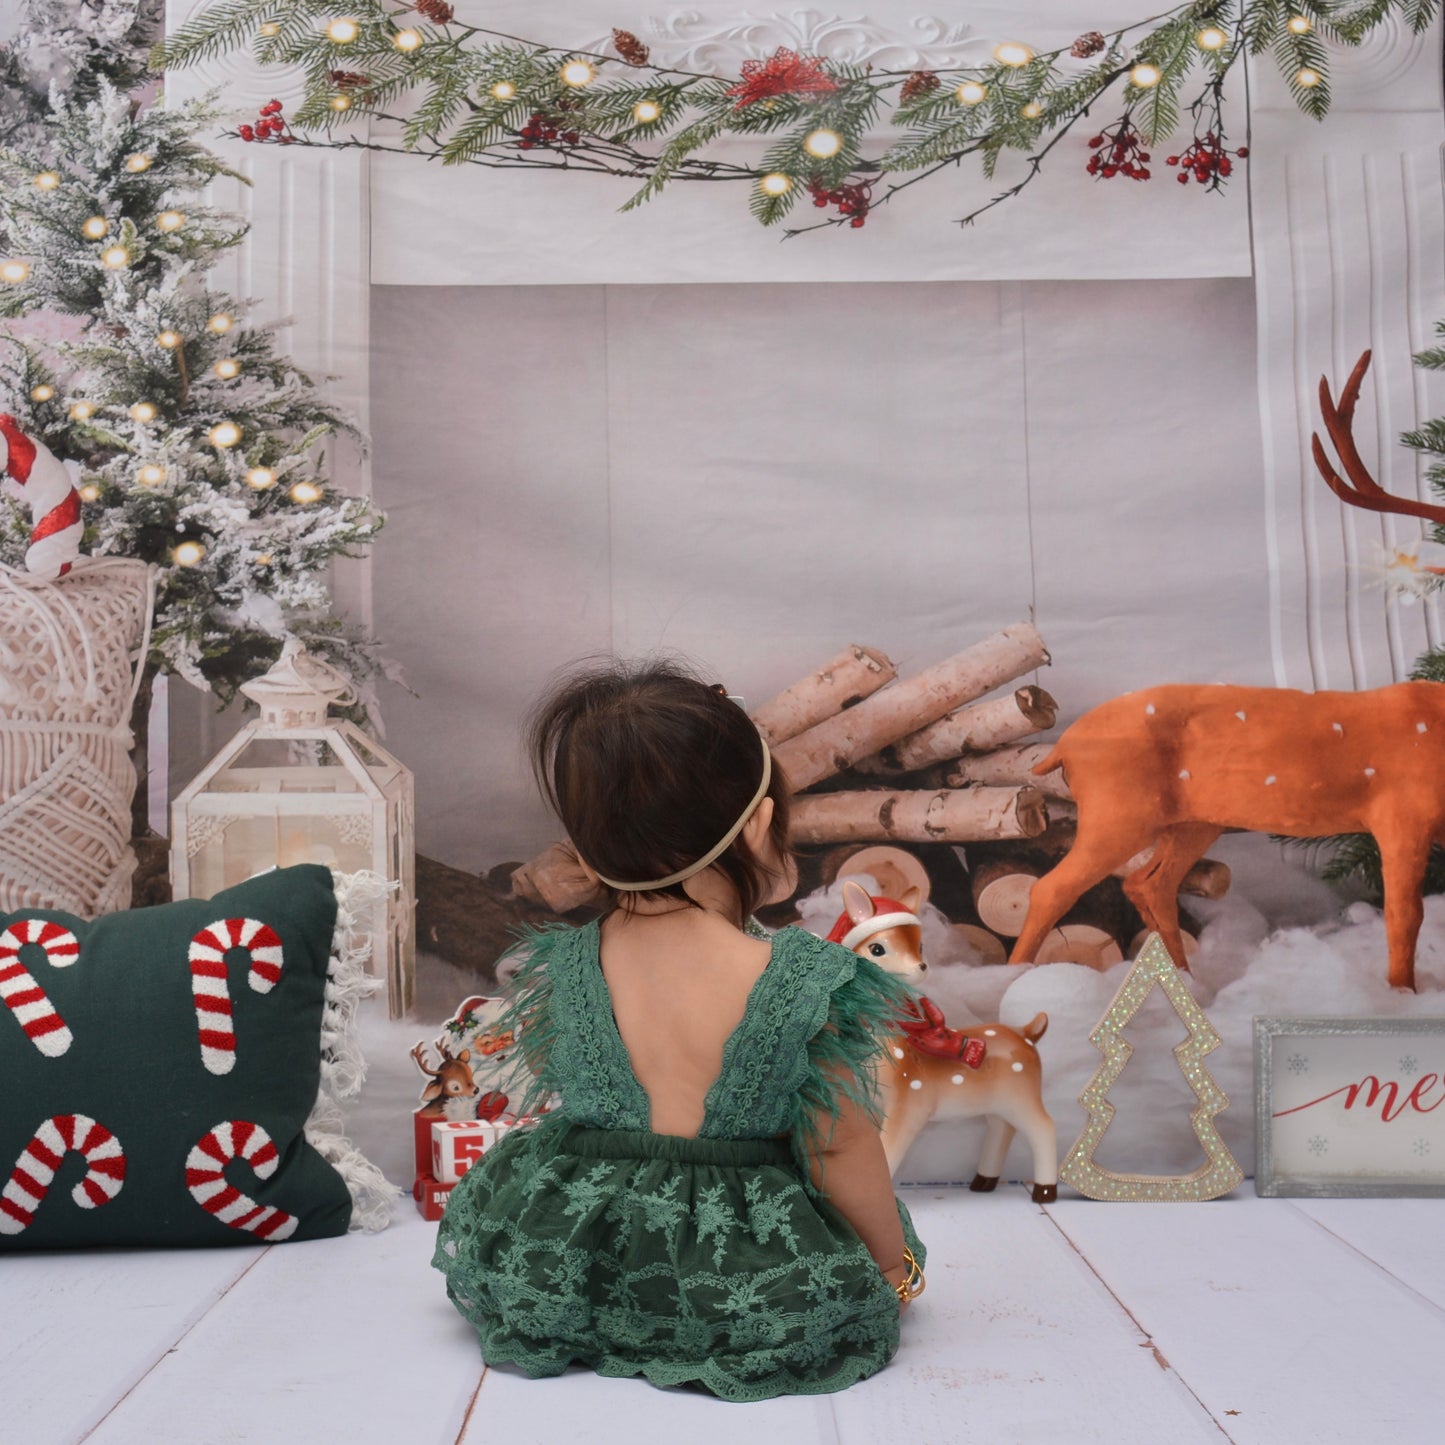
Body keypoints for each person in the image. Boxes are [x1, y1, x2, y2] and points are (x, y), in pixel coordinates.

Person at [433, 659, 926, 1401]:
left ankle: (595, 1312)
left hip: (587, 1251)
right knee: (830, 1265)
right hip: (737, 1265)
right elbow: (837, 1141)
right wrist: (889, 1267)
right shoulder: (796, 978)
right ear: (759, 823)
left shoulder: (569, 961)